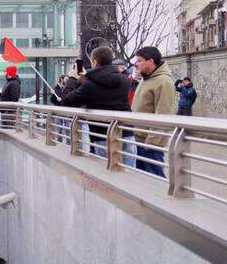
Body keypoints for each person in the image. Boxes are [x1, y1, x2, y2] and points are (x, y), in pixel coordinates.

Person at [60, 47, 137, 166]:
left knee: (106, 177)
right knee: (129, 176)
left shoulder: (90, 85)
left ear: (95, 62)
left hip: (102, 135)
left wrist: (72, 79)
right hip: (126, 133)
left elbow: (67, 101)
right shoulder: (125, 80)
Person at [131, 47, 176, 178]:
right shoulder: (146, 79)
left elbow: (164, 114)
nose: (137, 64)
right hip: (138, 138)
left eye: (140, 61)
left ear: (150, 61)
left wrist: (152, 141)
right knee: (143, 180)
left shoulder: (164, 81)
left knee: (155, 178)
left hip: (149, 142)